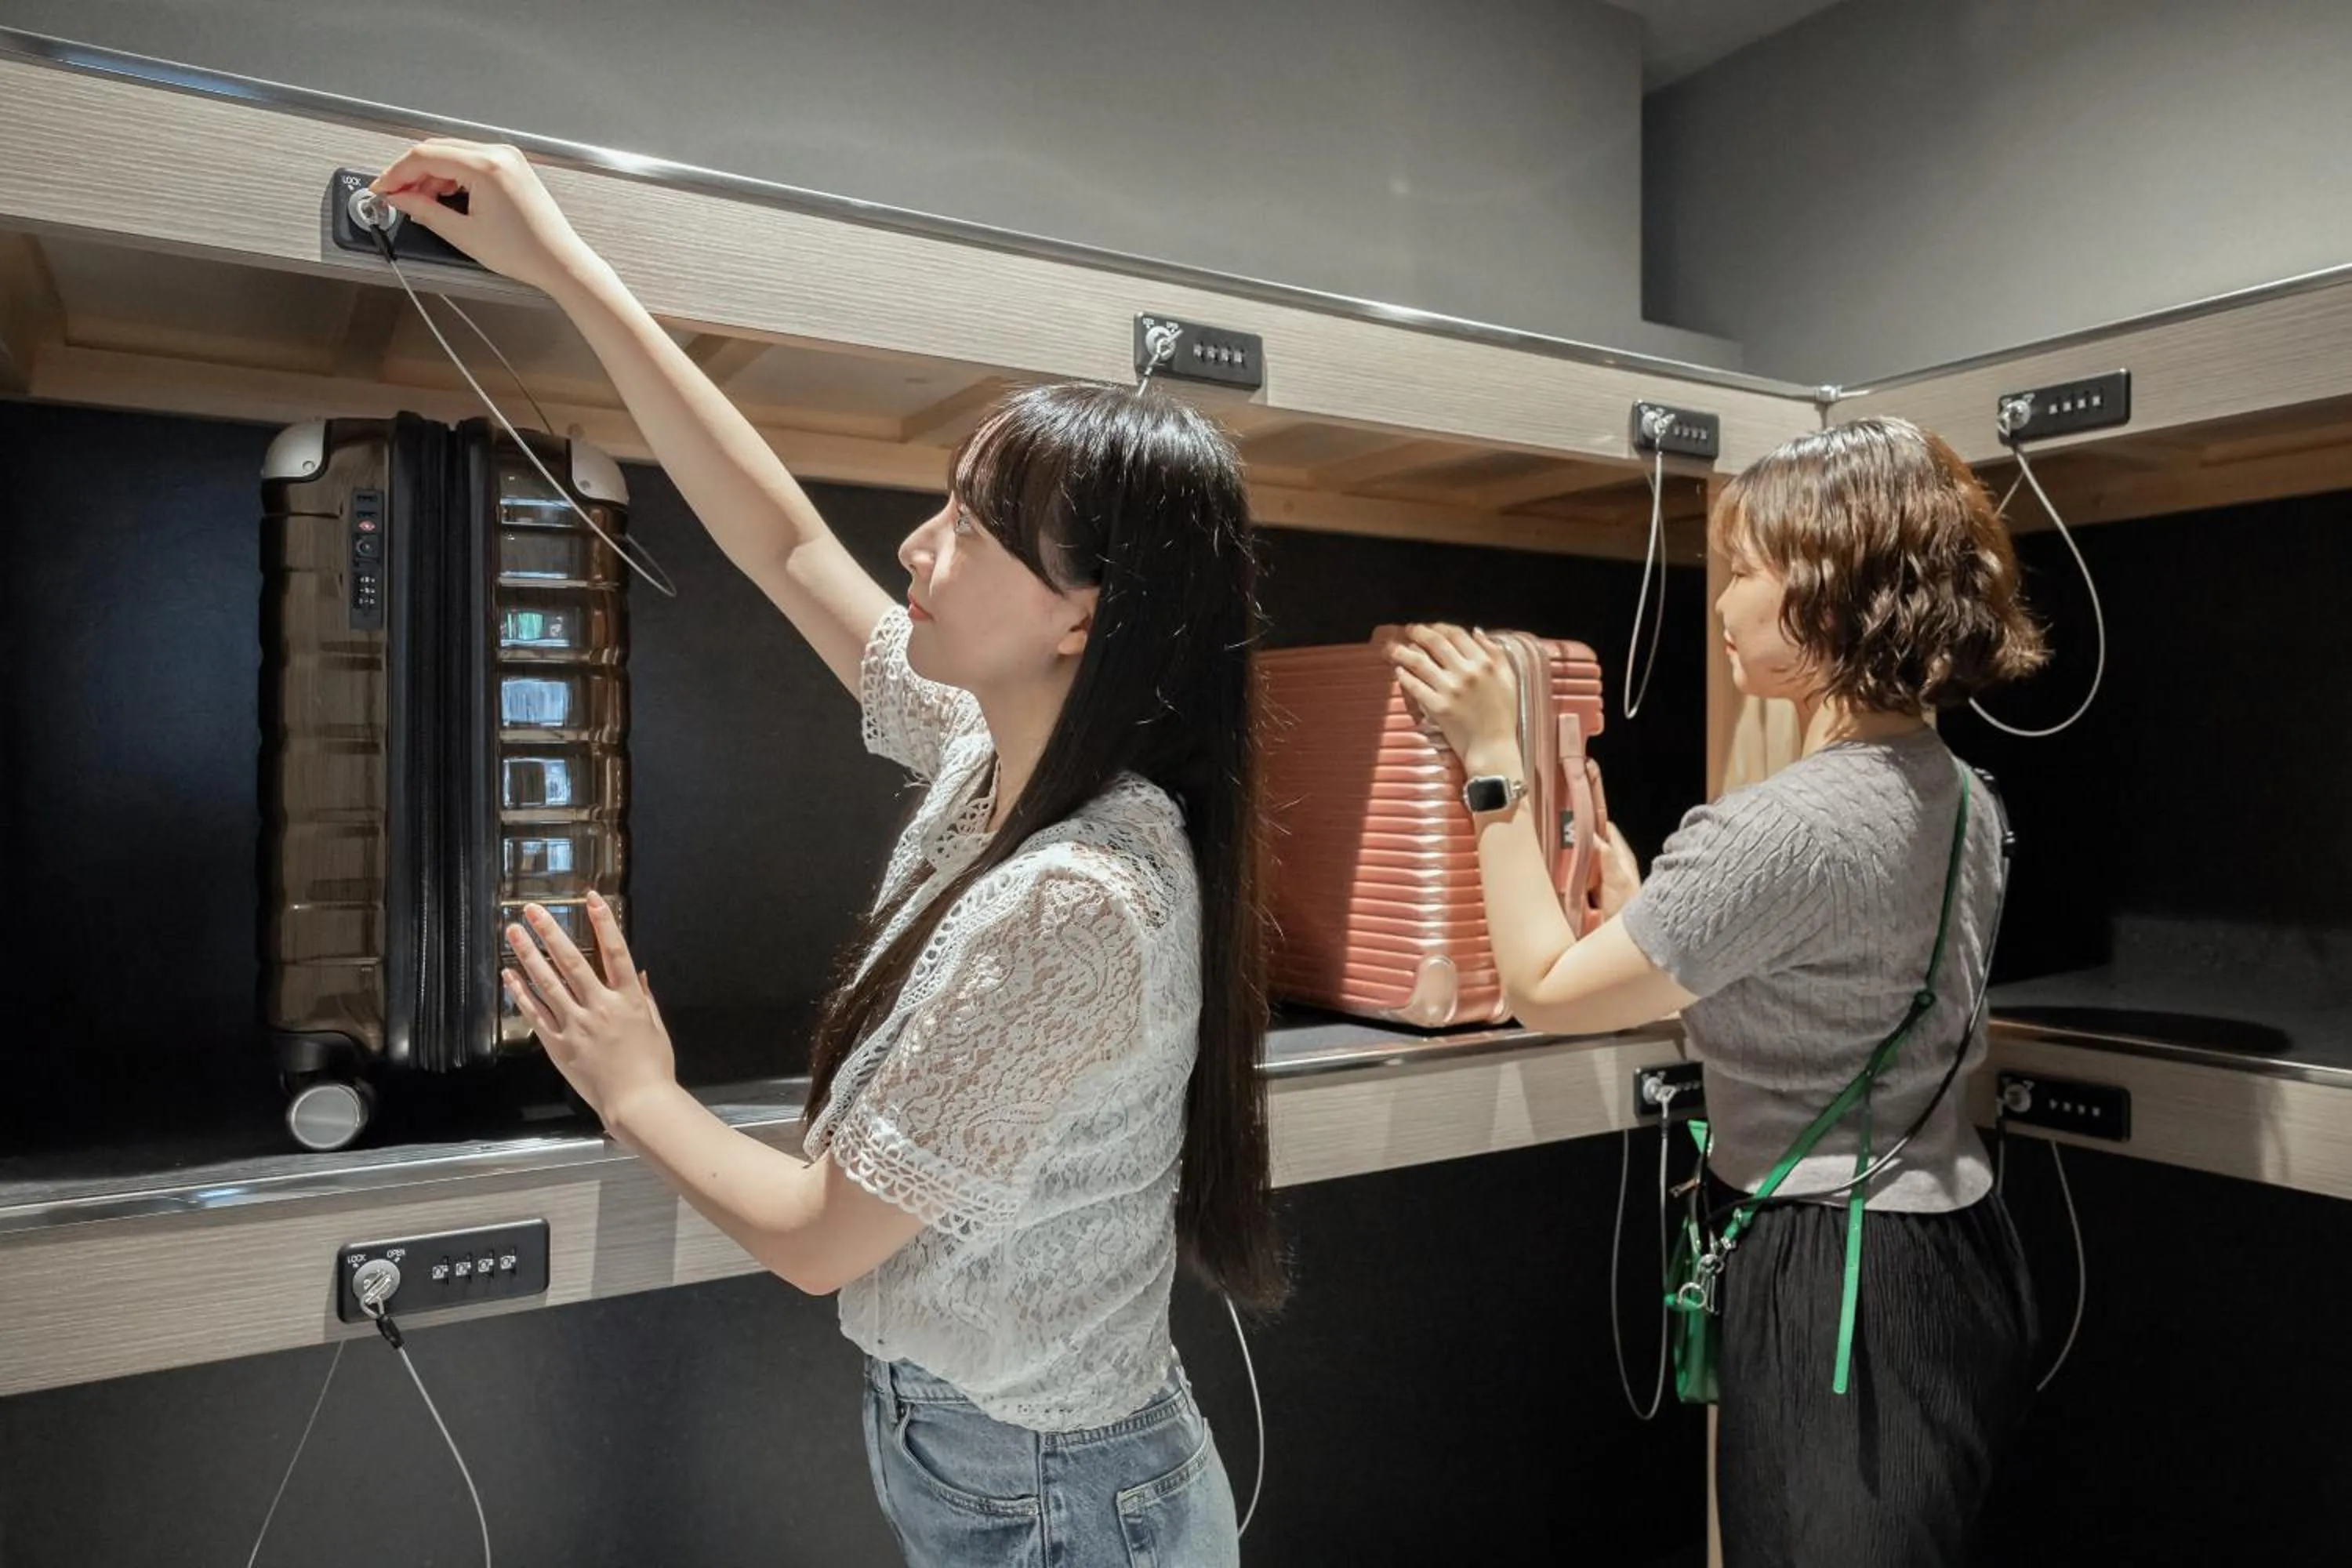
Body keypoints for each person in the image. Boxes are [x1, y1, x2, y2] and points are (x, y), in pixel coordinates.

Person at [368, 140, 1281, 1566]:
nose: (920, 548)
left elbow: (815, 1236)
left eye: (973, 533)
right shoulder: (1001, 752)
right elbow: (784, 546)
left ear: (1082, 620)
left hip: (1061, 1505)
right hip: (1013, 1466)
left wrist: (638, 1087)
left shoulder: (1078, 901)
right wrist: (561, 267)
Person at [1391, 416, 2046, 1567]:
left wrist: (1495, 767)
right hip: (1953, 1249)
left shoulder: (1780, 826)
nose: (1723, 603)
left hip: (1840, 1281)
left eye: (1743, 573)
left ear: (1829, 596)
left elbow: (1542, 988)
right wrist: (1657, 916)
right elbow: (1831, 989)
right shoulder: (1961, 793)